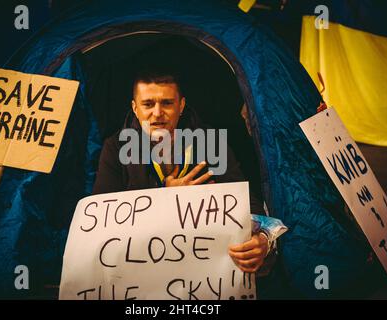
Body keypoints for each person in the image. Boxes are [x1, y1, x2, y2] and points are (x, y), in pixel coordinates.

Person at [92, 68, 272, 274]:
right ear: (135, 108)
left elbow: (249, 205)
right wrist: (163, 200)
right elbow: (102, 222)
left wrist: (263, 239)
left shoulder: (209, 142)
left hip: (206, 272)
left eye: (167, 103)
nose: (157, 113)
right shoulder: (116, 148)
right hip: (144, 272)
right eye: (148, 104)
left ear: (181, 105)